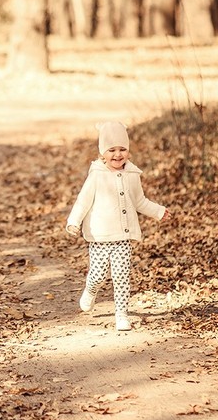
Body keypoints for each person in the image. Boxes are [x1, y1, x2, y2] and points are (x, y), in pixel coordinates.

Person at [65, 121, 170, 331]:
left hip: (123, 237)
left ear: (128, 151)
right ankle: (90, 289)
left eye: (122, 149)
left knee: (122, 276)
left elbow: (139, 201)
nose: (117, 154)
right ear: (102, 152)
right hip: (100, 236)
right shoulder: (96, 175)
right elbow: (83, 201)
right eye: (111, 150)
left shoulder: (132, 175)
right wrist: (73, 221)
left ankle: (121, 314)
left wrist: (158, 211)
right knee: (98, 274)